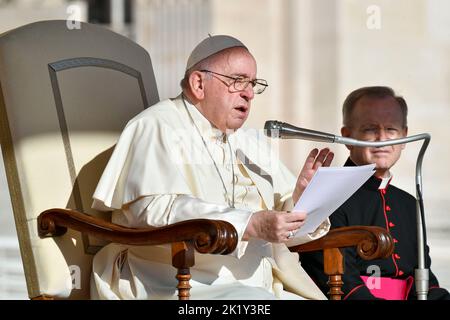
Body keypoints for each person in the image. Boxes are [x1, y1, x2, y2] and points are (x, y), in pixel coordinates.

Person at [90, 35, 334, 300]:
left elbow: (282, 227)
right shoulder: (157, 125)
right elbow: (151, 210)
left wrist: (301, 199)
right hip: (178, 282)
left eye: (253, 83)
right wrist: (247, 224)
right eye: (238, 80)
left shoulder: (248, 141)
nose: (249, 93)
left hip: (261, 285)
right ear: (198, 83)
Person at [300, 86, 450, 300]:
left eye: (391, 129)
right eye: (370, 129)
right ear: (347, 136)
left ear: (404, 136)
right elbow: (341, 283)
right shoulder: (329, 194)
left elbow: (425, 281)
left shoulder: (409, 204)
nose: (382, 138)